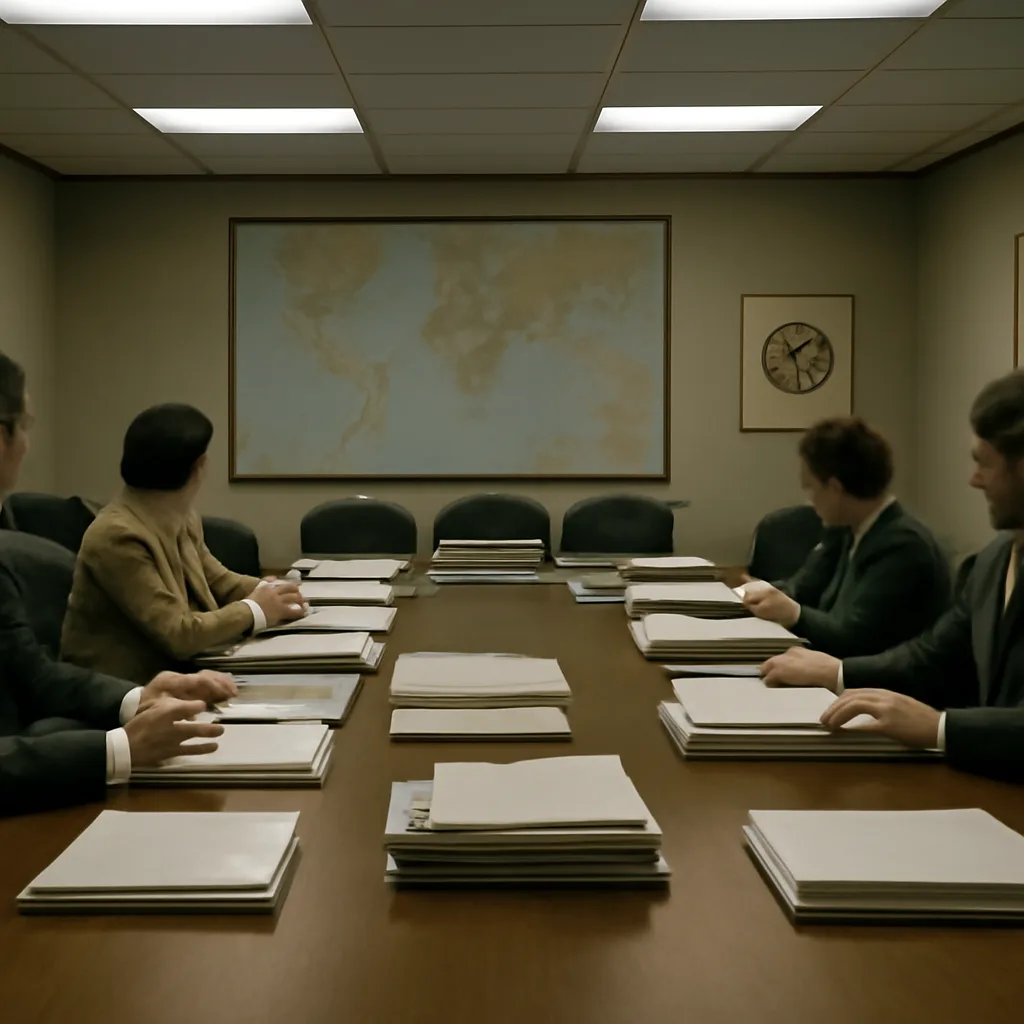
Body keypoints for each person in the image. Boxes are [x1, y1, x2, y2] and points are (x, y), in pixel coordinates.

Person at [0, 352, 234, 815]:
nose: (27, 444)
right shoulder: (119, 531)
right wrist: (116, 750)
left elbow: (33, 674)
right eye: (25, 425)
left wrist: (138, 697)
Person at [762, 370, 1024, 782]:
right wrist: (838, 674)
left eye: (984, 463)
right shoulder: (993, 561)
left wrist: (940, 727)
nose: (974, 480)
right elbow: (931, 657)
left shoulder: (905, 544)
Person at [61, 403, 306, 683]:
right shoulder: (116, 536)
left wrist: (270, 591)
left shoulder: (181, 515)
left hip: (181, 676)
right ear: (198, 467)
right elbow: (178, 633)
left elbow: (219, 580)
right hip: (122, 691)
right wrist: (255, 609)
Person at [741, 417, 949, 657]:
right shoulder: (846, 529)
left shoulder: (903, 546)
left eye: (810, 488)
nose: (809, 500)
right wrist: (761, 593)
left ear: (835, 489)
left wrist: (794, 614)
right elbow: (804, 587)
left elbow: (855, 637)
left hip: (871, 677)